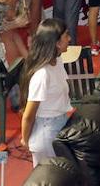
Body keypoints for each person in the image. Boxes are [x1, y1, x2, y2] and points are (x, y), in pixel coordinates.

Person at [21, 18, 72, 166]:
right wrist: (26, 139)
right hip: (47, 133)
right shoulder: (42, 75)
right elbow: (28, 116)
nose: (70, 39)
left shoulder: (58, 61)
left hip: (60, 123)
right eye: (66, 36)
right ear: (56, 43)